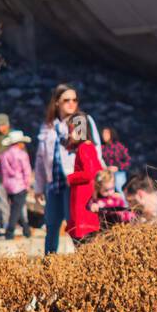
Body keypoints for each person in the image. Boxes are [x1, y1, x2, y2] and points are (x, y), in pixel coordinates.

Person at [35, 84, 104, 254]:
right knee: (51, 225)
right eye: (66, 100)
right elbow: (40, 157)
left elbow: (95, 151)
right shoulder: (47, 127)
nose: (71, 103)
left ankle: (83, 264)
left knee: (75, 225)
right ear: (57, 102)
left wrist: (101, 182)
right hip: (54, 182)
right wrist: (38, 185)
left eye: (75, 100)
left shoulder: (81, 121)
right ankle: (49, 268)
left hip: (74, 183)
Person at [63, 113, 103, 246]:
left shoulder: (83, 148)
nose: (69, 134)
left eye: (71, 130)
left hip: (82, 199)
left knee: (81, 241)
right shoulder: (90, 147)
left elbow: (88, 173)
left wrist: (69, 178)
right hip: (88, 197)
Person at [0, 130, 34, 239]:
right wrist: (28, 184)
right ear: (19, 143)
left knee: (16, 207)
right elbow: (26, 171)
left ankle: (26, 229)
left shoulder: (4, 155)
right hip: (20, 184)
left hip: (8, 185)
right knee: (16, 209)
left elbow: (2, 171)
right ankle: (10, 231)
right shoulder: (22, 154)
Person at [99, 127, 132, 195]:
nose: (104, 135)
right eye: (103, 133)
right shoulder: (101, 147)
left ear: (111, 134)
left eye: (106, 133)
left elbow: (127, 161)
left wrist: (117, 168)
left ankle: (124, 204)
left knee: (120, 191)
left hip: (119, 173)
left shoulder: (119, 146)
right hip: (105, 174)